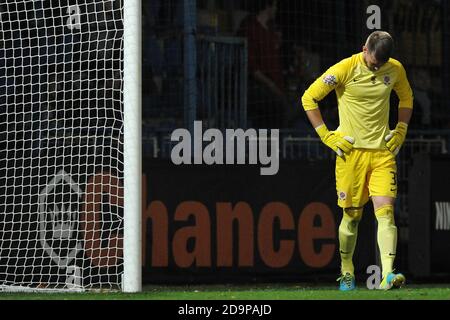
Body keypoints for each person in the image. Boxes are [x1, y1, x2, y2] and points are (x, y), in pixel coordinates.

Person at [301, 31, 413, 291]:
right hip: (350, 155)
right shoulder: (344, 68)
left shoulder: (395, 69)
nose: (376, 67)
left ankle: (387, 274)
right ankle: (347, 269)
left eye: (380, 65)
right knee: (352, 217)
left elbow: (406, 97)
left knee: (386, 213)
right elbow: (309, 98)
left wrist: (401, 129)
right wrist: (326, 136)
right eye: (373, 63)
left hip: (382, 153)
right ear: (364, 48)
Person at [237, 0, 291, 128]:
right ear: (268, 5)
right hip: (257, 87)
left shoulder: (271, 30)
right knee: (278, 106)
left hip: (274, 86)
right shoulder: (249, 27)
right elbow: (252, 68)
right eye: (275, 5)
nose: (276, 9)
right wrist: (272, 85)